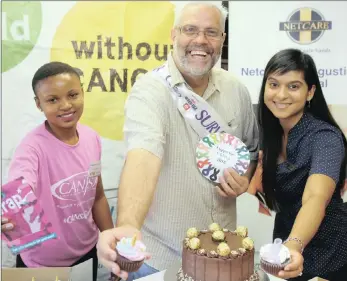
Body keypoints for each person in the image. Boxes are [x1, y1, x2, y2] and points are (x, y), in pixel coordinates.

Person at [97, 2, 259, 280]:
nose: (200, 40)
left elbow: (251, 150)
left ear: (222, 39)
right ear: (173, 35)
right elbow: (143, 156)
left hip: (221, 259)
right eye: (190, 30)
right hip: (160, 259)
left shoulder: (237, 91)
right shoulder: (150, 90)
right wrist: (127, 226)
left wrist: (243, 177)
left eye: (211, 32)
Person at [1, 62, 114, 281]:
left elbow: (97, 196)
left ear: (82, 93)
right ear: (38, 104)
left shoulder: (92, 137)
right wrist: (7, 212)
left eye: (72, 95)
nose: (65, 105)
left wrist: (111, 239)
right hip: (41, 266)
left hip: (86, 253)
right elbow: (18, 191)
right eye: (53, 100)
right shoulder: (30, 149)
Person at [257, 48, 347, 281]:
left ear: (310, 92)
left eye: (293, 86)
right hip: (286, 243)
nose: (281, 94)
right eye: (274, 84)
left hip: (331, 250)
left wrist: (295, 244)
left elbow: (316, 196)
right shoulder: (270, 131)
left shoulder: (324, 136)